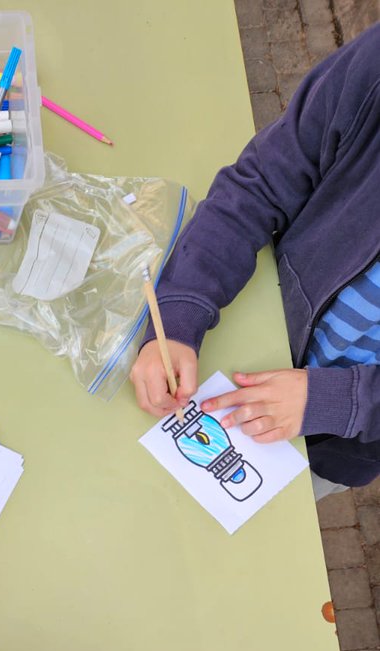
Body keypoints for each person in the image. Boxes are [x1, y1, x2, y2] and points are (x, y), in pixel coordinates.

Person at [129, 26, 380, 498]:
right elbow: (262, 183)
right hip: (253, 327)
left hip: (341, 438)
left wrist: (340, 401)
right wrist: (182, 311)